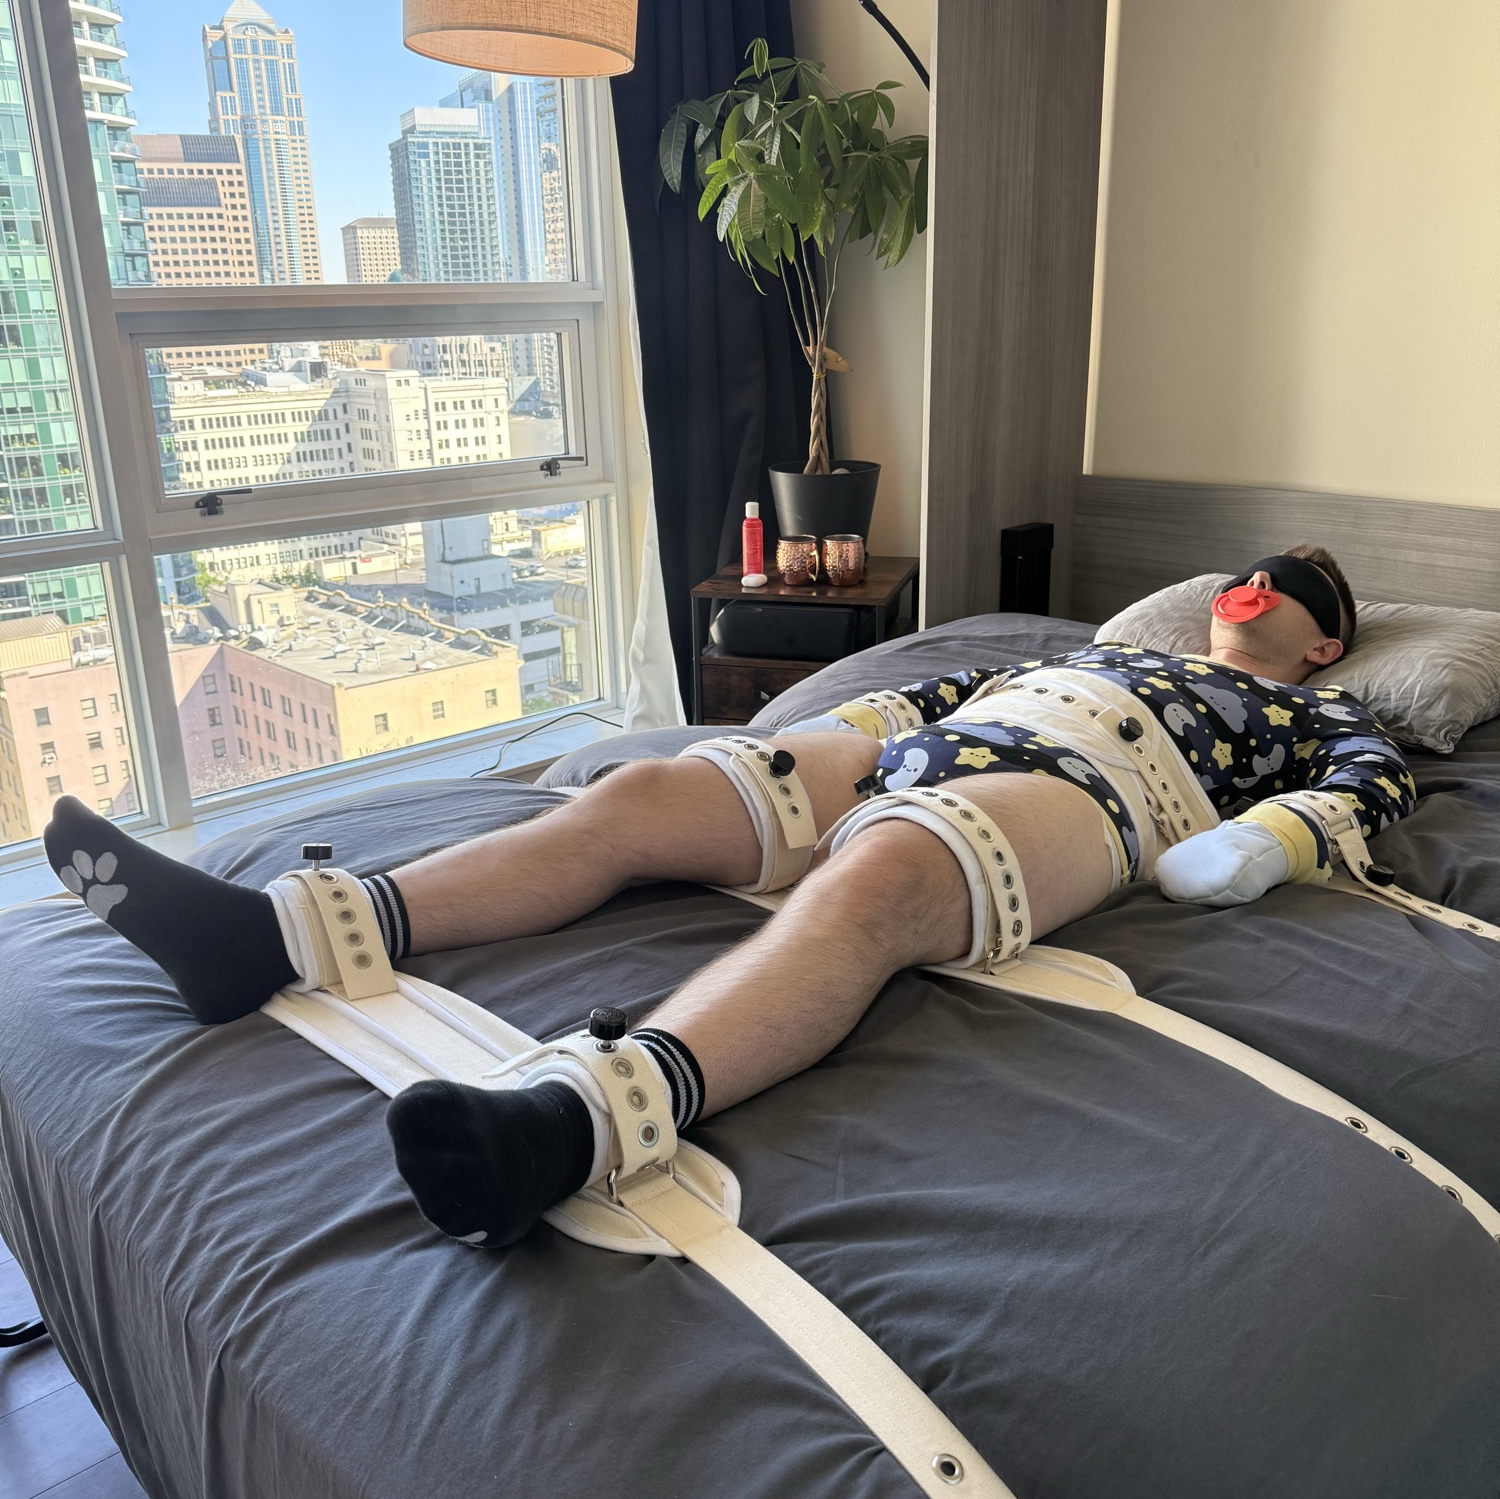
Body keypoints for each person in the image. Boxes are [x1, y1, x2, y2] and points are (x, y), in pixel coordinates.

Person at [42, 543, 1414, 1250]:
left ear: (1326, 640)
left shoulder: (1313, 710)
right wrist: (827, 739)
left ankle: (574, 1124)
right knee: (640, 796)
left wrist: (1258, 846)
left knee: (880, 877)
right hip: (948, 737)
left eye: (1285, 587)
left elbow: (1372, 788)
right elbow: (940, 688)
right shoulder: (1102, 645)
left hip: (1100, 795)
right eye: (1245, 574)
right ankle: (271, 934)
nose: (1250, 588)